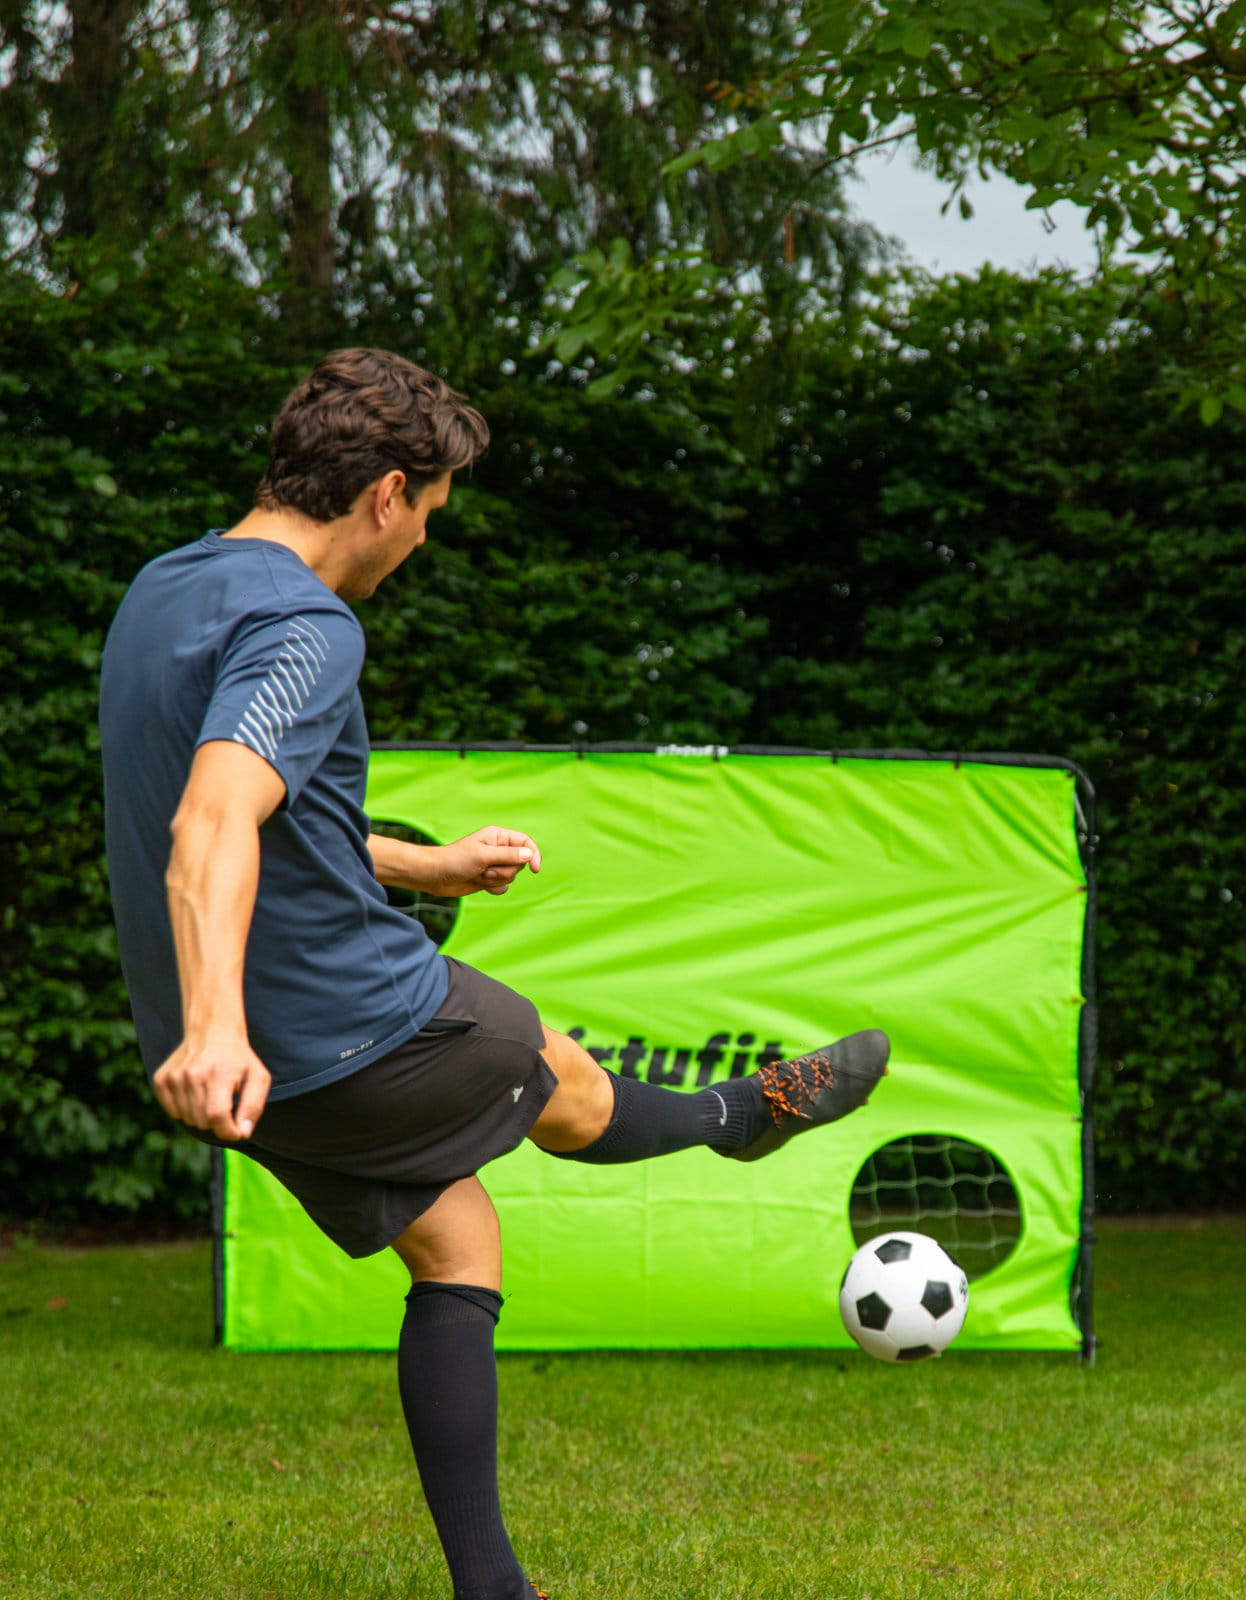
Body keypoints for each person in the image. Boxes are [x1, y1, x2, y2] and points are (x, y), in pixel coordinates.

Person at [98, 347, 890, 1600]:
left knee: (458, 1242)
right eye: (430, 513)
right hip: (331, 1026)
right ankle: (739, 1115)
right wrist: (217, 1028)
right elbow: (208, 819)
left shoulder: (164, 588)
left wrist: (429, 865)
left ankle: (493, 1589)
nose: (422, 540)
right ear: (386, 494)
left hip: (258, 1070)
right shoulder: (306, 624)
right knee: (559, 1079)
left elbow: (253, 812)